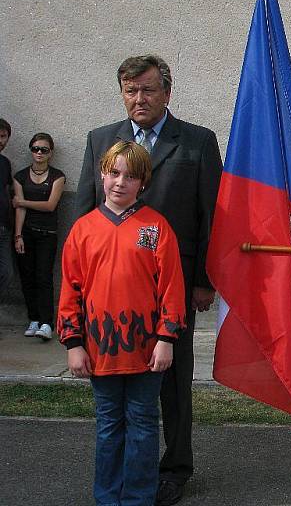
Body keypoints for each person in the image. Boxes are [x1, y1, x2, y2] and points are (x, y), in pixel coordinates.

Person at [76, 54, 222, 506]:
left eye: (148, 89)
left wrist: (203, 281)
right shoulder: (102, 140)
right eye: (130, 90)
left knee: (172, 382)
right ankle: (123, 473)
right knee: (118, 393)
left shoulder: (197, 142)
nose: (139, 98)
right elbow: (83, 217)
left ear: (167, 92)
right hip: (113, 293)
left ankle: (175, 467)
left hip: (171, 291)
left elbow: (210, 216)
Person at [59, 141, 186, 506]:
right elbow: (70, 291)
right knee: (109, 426)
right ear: (102, 174)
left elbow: (172, 289)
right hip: (100, 351)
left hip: (147, 351)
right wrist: (73, 343)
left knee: (144, 425)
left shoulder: (156, 228)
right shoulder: (83, 230)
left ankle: (137, 498)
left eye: (130, 176)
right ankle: (107, 498)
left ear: (143, 182)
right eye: (114, 173)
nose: (120, 182)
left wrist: (166, 339)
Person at [13, 132, 65, 340]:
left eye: (44, 149)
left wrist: (23, 201)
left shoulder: (57, 176)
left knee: (44, 276)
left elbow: (50, 205)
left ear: (50, 152)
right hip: (27, 233)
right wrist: (18, 235)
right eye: (35, 149)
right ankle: (33, 318)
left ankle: (46, 322)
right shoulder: (20, 176)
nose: (39, 153)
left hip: (47, 234)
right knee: (27, 277)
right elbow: (19, 210)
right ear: (31, 150)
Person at [0, 119, 13, 298]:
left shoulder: (4, 163)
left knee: (7, 273)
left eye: (3, 136)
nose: (0, 140)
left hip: (3, 228)